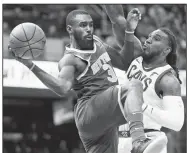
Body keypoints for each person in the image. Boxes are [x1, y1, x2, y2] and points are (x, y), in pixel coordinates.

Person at [9, 9, 166, 153]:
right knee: (134, 86)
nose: (89, 29)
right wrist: (30, 65)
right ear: (70, 29)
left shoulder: (96, 42)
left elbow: (125, 63)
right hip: (90, 111)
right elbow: (62, 88)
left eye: (90, 25)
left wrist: (129, 31)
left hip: (104, 117)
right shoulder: (70, 59)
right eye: (83, 25)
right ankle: (139, 140)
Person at [104, 5, 185, 153]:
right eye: (149, 37)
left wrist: (141, 106)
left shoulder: (167, 80)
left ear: (166, 50)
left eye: (156, 39)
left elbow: (176, 123)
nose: (148, 40)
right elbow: (116, 19)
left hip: (149, 139)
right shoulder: (136, 55)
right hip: (120, 140)